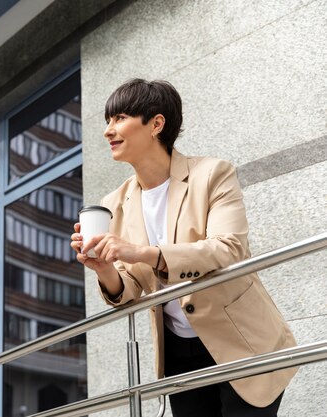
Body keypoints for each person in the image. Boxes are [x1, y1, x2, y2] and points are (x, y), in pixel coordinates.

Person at [70, 79, 297, 416]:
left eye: (119, 118)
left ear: (156, 124)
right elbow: (130, 288)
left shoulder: (212, 174)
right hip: (179, 352)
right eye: (108, 121)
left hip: (243, 342)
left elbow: (227, 248)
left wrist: (140, 252)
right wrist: (104, 268)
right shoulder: (115, 202)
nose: (108, 131)